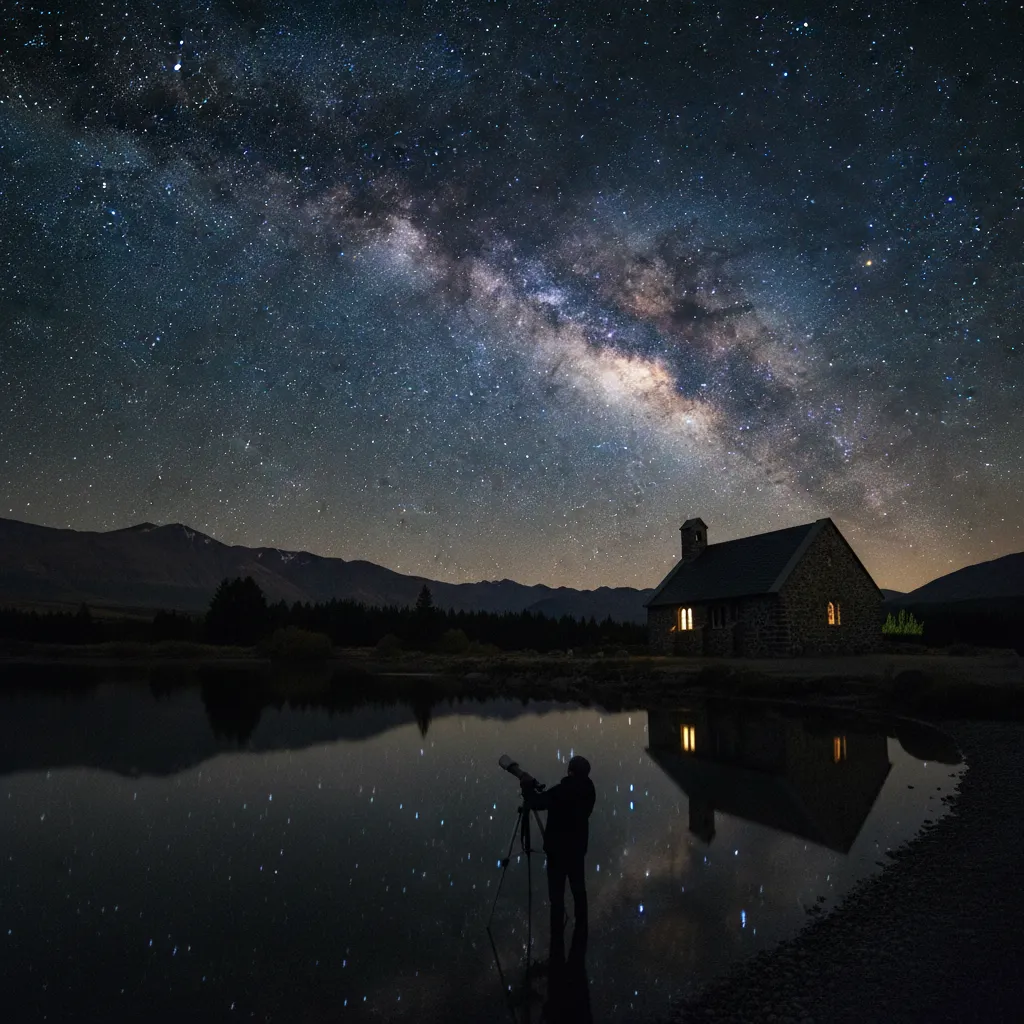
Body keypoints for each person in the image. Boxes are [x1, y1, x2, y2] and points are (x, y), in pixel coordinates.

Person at [522, 755, 596, 938]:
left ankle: (557, 938)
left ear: (570, 771)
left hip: (558, 851)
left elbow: (536, 803)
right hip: (577, 848)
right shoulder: (589, 789)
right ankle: (582, 926)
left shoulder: (562, 791)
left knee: (557, 896)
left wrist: (526, 789)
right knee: (578, 888)